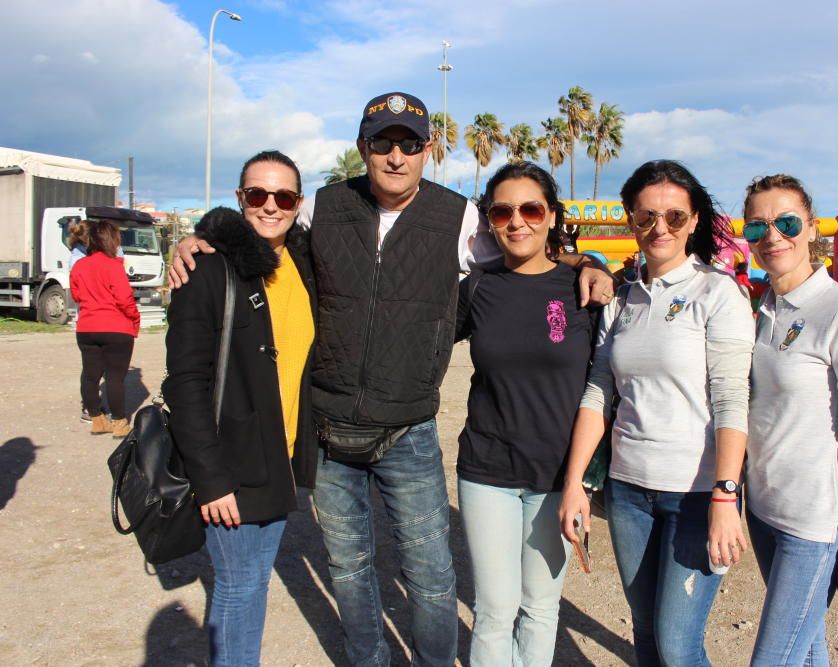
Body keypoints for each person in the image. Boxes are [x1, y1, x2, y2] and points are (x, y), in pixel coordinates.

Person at [167, 92, 614, 666]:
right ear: (363, 149)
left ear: (428, 150)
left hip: (408, 430)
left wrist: (590, 264)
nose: (396, 156)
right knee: (348, 574)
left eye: (409, 143)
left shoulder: (461, 218)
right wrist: (201, 236)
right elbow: (260, 223)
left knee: (431, 577)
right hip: (330, 433)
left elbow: (525, 247)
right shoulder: (321, 207)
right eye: (383, 143)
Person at [559, 159, 755, 666]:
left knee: (677, 643)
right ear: (631, 220)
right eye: (646, 217)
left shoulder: (718, 293)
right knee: (645, 633)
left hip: (696, 495)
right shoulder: (621, 301)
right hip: (628, 494)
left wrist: (726, 493)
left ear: (693, 222)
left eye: (673, 216)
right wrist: (576, 480)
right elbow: (598, 393)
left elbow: (733, 399)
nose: (659, 228)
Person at [162, 150, 317, 666]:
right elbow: (184, 383)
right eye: (257, 195)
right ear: (239, 199)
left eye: (284, 196)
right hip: (232, 466)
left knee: (249, 585)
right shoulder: (208, 269)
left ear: (298, 204)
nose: (270, 206)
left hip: (279, 458)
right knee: (239, 587)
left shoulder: (300, 262)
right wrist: (211, 478)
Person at [741, 174, 838, 666]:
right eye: (757, 226)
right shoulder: (764, 309)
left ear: (810, 229)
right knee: (806, 653)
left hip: (814, 526)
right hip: (762, 511)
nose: (772, 236)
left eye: (785, 222)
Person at [454, 162, 593, 666]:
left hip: (558, 476)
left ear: (552, 217)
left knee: (539, 607)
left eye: (531, 209)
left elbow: (605, 390)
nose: (517, 221)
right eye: (502, 211)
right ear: (489, 221)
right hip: (487, 470)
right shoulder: (476, 290)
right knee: (495, 609)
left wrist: (588, 260)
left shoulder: (585, 292)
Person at [70, 220, 140, 437]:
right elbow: (124, 298)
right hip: (115, 326)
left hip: (87, 326)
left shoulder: (79, 265)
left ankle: (97, 419)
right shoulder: (113, 265)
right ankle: (119, 423)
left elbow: (76, 295)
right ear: (112, 239)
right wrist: (135, 318)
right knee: (115, 377)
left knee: (91, 376)